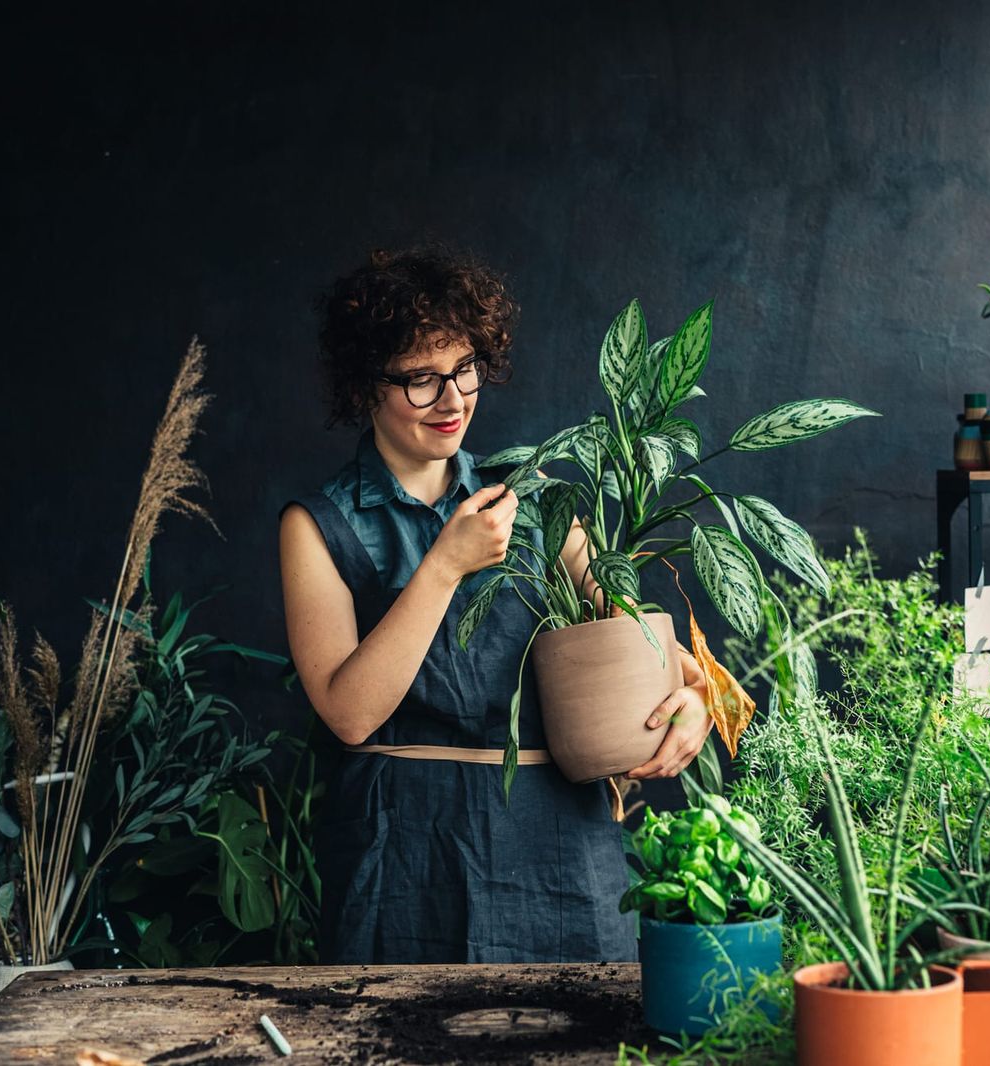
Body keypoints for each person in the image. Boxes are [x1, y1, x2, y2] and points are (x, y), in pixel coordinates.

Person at [277, 245, 715, 964]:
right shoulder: (318, 525)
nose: (451, 400)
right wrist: (445, 564)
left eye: (464, 369)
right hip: (406, 855)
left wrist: (690, 697)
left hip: (562, 849)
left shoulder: (536, 496)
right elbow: (350, 712)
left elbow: (631, 631)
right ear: (366, 387)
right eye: (420, 380)